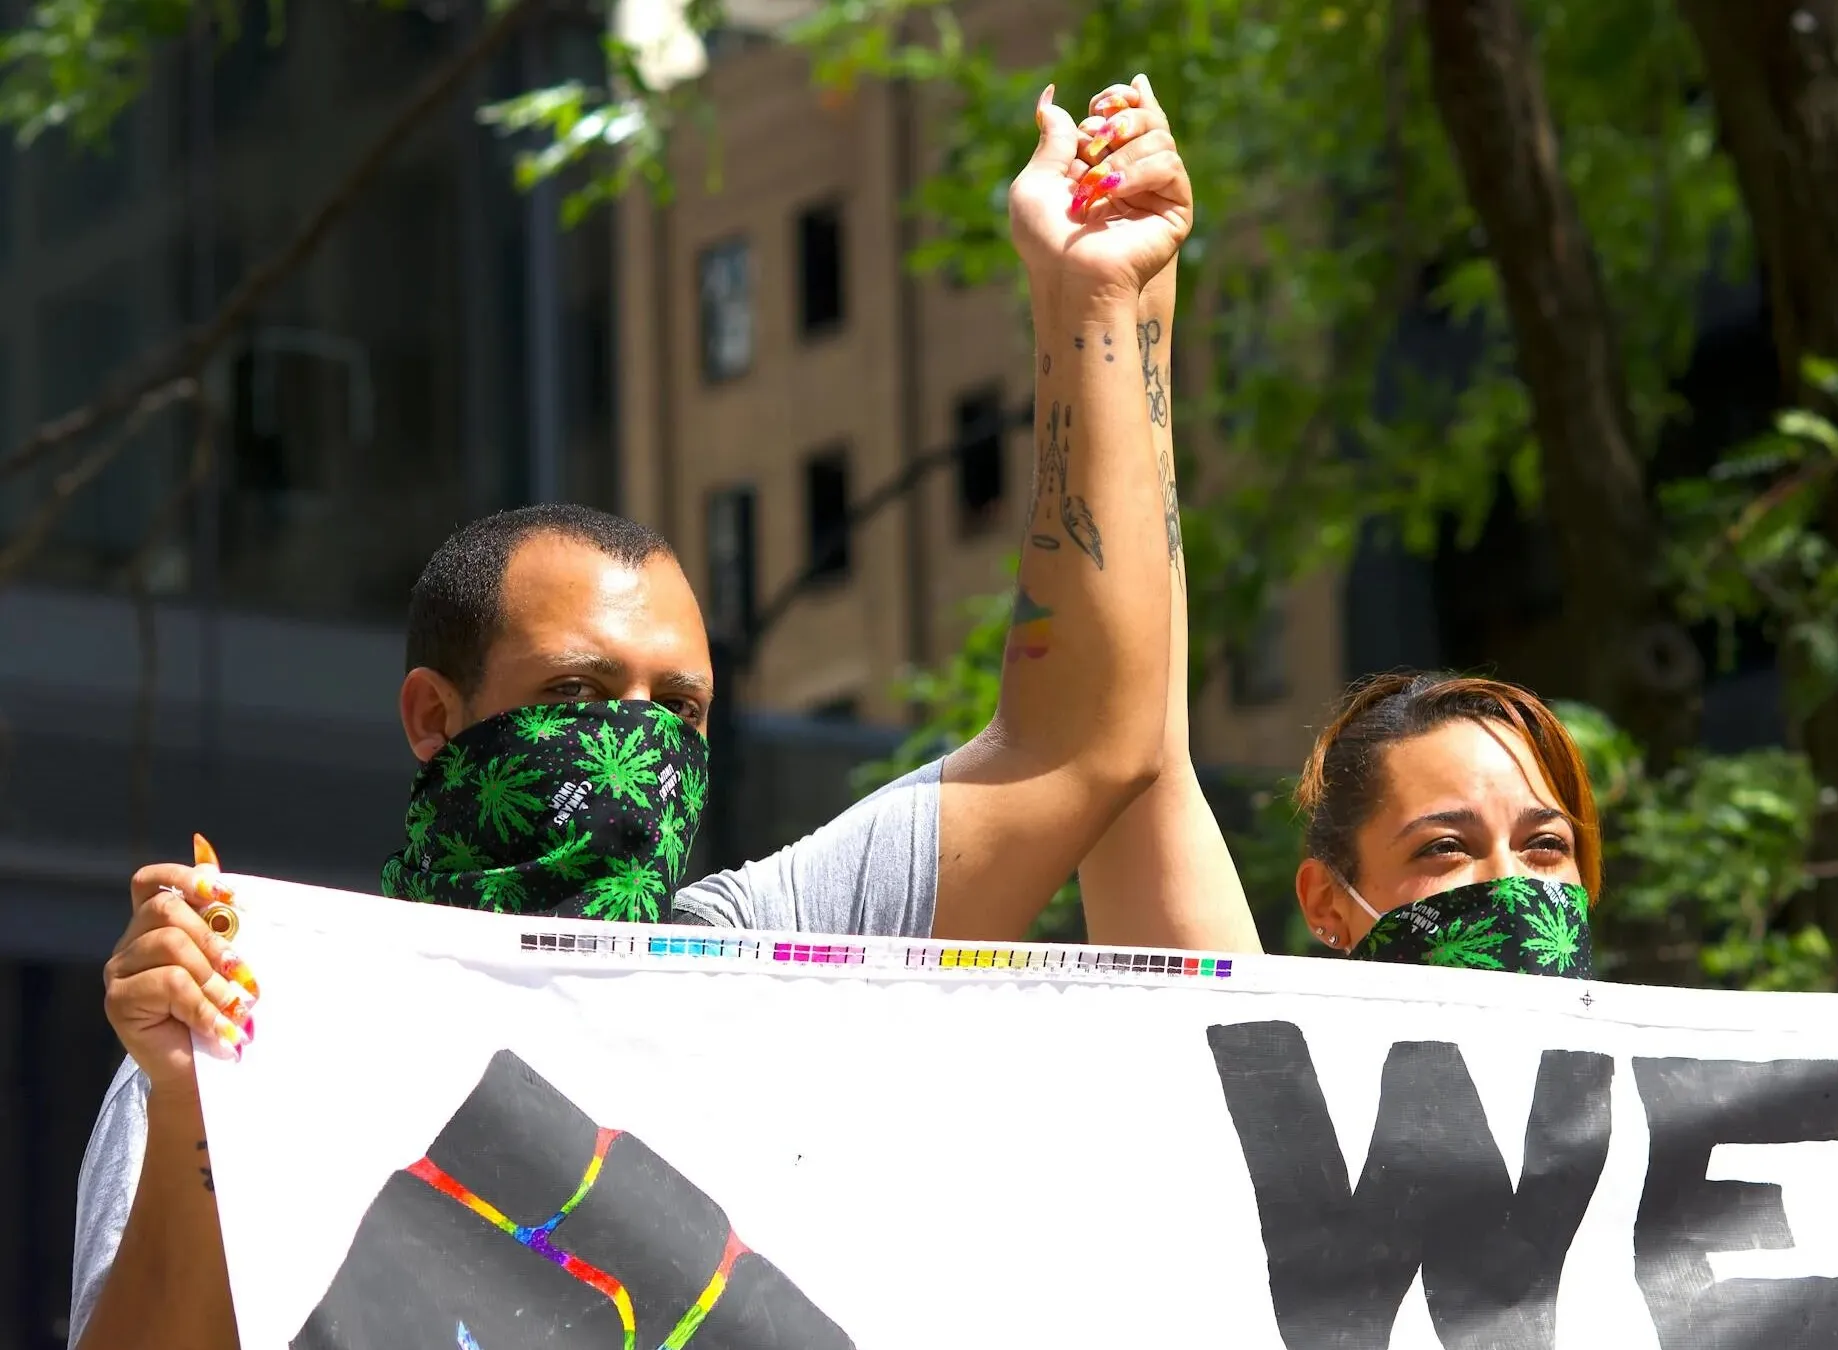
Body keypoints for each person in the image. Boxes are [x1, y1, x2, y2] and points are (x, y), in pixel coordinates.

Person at [70, 77, 1195, 1350]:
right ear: (434, 718)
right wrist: (187, 1112)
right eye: (581, 695)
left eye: (684, 711)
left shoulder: (761, 959)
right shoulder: (260, 1017)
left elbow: (1085, 739)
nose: (641, 747)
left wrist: (1096, 308)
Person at [1061, 75, 1838, 1185]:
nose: (1513, 889)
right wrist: (1125, 316)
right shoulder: (1260, 1116)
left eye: (1546, 848)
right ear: (1328, 905)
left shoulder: (1703, 1161)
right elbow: (1127, 753)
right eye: (1445, 849)